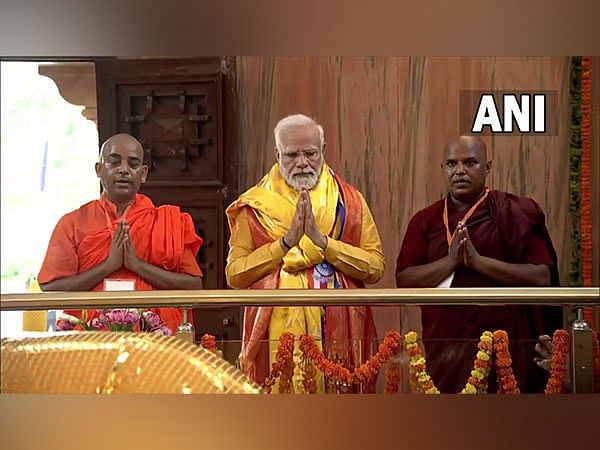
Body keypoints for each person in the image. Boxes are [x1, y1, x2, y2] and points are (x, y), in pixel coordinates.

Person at [226, 114, 385, 392]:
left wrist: (322, 243)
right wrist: (284, 244)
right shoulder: (254, 207)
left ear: (323, 150)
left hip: (337, 331)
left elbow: (375, 266)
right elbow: (235, 275)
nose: (302, 163)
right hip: (274, 338)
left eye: (310, 153)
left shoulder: (349, 202)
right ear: (277, 154)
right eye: (291, 155)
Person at [395, 135, 562, 393]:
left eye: (470, 162)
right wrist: (450, 262)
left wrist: (478, 263)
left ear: (487, 168)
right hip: (446, 345)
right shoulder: (424, 220)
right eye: (451, 164)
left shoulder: (511, 211)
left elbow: (541, 276)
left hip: (506, 344)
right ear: (443, 169)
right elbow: (404, 279)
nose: (459, 171)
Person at [38, 133, 203, 333]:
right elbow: (50, 287)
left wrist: (136, 265)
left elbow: (193, 284)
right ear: (99, 169)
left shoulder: (169, 222)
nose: (123, 170)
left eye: (133, 164)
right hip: (91, 340)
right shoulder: (73, 223)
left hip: (155, 339)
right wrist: (108, 266)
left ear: (143, 173)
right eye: (114, 162)